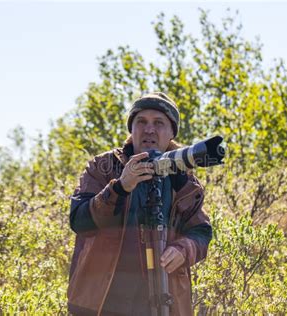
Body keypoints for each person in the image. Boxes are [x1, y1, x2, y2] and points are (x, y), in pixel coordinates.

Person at [67, 92, 212, 316]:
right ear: (131, 129)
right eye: (141, 121)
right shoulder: (103, 167)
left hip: (162, 300)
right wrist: (120, 187)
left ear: (172, 132)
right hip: (102, 301)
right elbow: (80, 220)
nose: (149, 130)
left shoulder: (182, 178)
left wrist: (184, 250)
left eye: (159, 123)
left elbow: (201, 231)